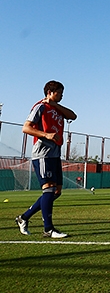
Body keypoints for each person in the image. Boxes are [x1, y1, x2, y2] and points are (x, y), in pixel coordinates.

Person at [15, 81, 77, 238]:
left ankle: (24, 217)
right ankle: (48, 229)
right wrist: (46, 135)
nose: (62, 95)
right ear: (50, 92)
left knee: (56, 191)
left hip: (55, 154)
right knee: (48, 189)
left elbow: (73, 115)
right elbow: (26, 127)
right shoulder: (40, 106)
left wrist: (55, 105)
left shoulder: (56, 108)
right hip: (43, 153)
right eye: (59, 93)